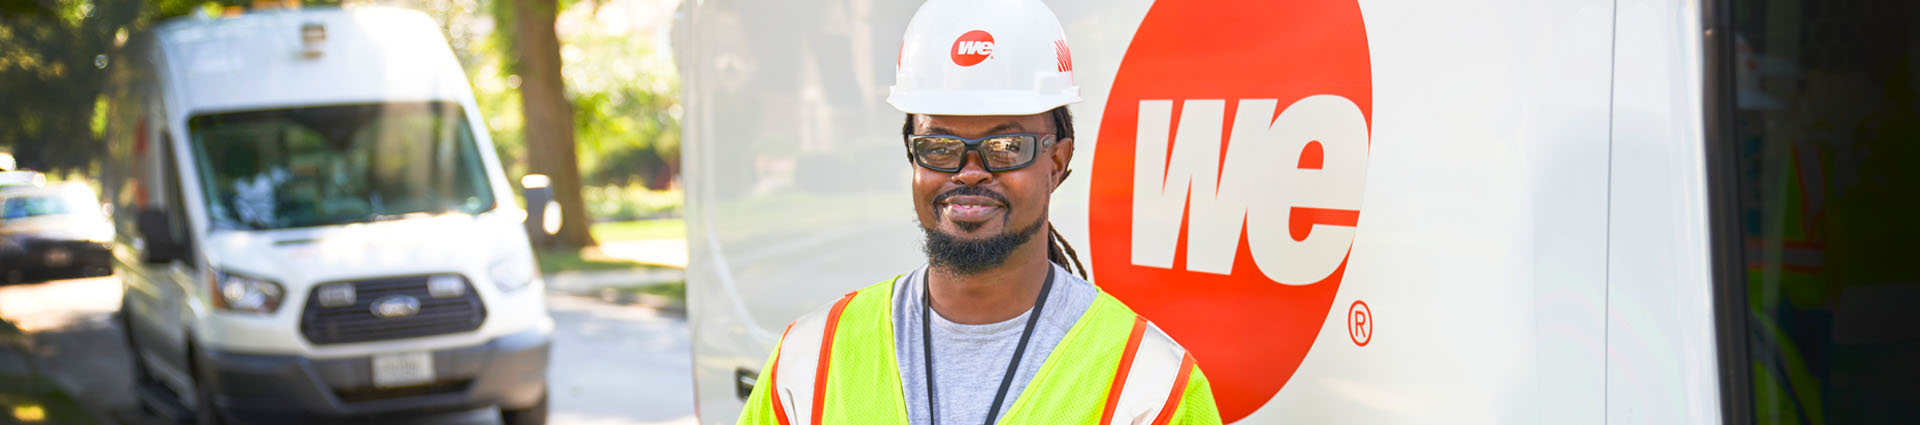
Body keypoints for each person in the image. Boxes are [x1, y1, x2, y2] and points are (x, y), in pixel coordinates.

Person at [736, 0, 1221, 424]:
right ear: (913, 156)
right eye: (940, 145)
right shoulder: (810, 361)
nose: (969, 172)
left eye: (1006, 145)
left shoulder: (1150, 387)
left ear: (1057, 161)